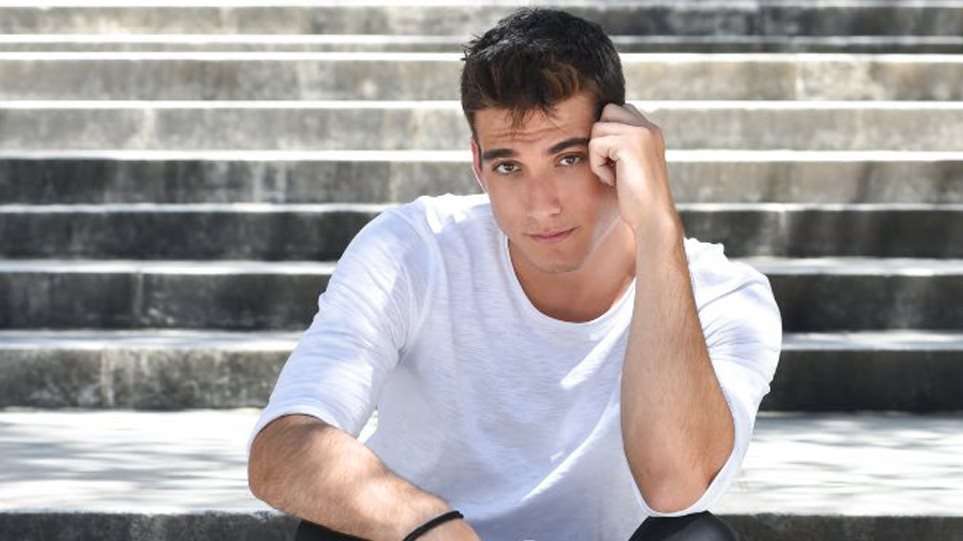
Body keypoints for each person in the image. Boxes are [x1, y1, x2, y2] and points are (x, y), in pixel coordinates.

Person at [247, 8, 781, 541]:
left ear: (618, 151)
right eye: (508, 167)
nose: (541, 206)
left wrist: (658, 227)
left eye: (568, 159)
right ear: (478, 166)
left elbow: (676, 486)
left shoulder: (724, 295)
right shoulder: (414, 249)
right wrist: (429, 526)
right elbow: (282, 448)